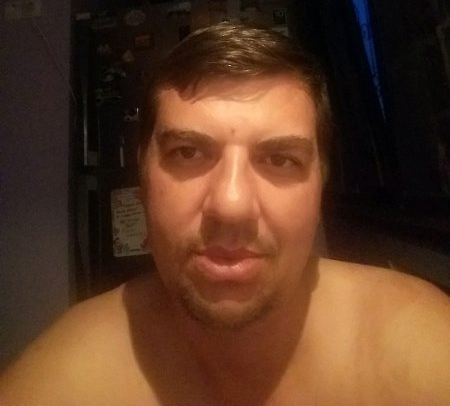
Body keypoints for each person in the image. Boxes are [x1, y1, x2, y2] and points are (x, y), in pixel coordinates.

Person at [1, 22, 449, 406]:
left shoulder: (418, 346)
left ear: (320, 191)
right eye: (188, 152)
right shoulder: (67, 378)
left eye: (280, 159)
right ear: (142, 182)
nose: (231, 205)